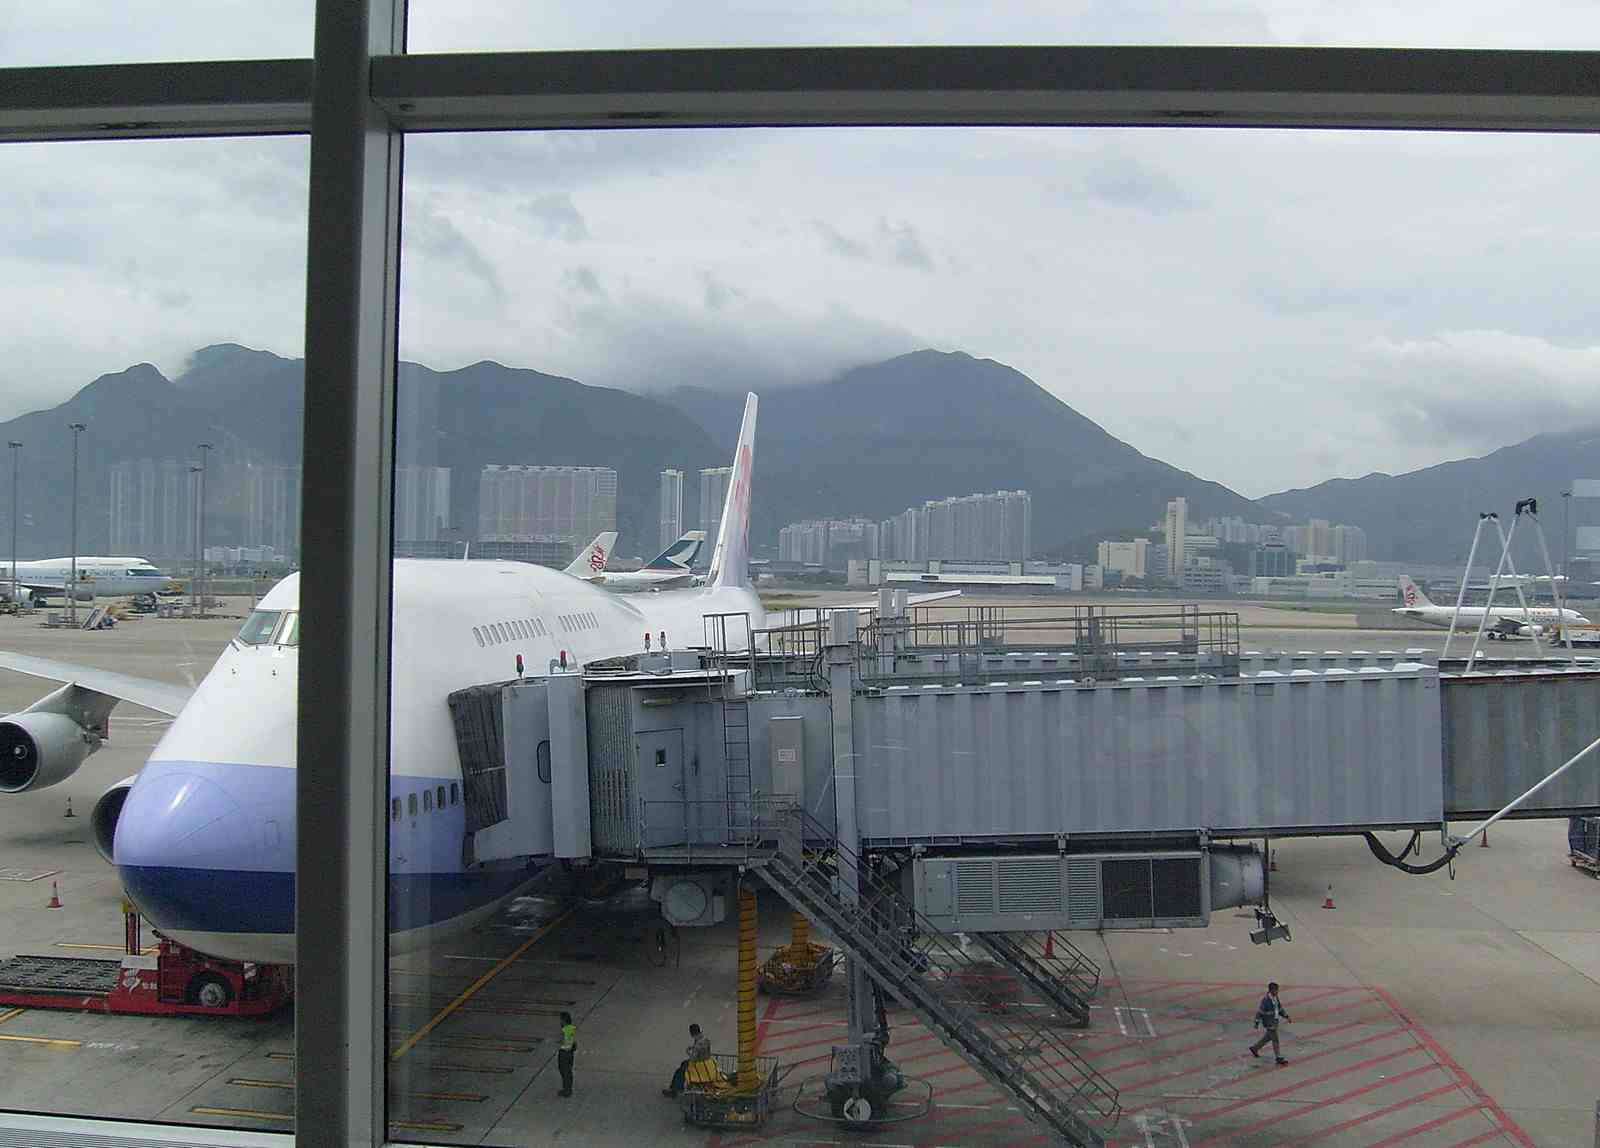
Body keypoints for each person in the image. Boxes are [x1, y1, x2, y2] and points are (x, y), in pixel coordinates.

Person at [663, 1022, 712, 1097]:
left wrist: (688, 1052)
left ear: (692, 1033)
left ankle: (675, 1089)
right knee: (684, 1063)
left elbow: (693, 1057)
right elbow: (702, 1049)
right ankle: (677, 1087)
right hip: (707, 1063)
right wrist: (692, 1047)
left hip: (699, 1065)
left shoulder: (698, 1043)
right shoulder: (704, 1039)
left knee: (680, 1071)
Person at [1249, 981, 1292, 1065]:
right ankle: (1278, 1057)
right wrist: (1256, 1022)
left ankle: (1255, 1048)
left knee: (1268, 1037)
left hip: (1274, 1021)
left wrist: (1286, 1016)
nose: (1277, 991)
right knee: (1275, 1039)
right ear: (1271, 990)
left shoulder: (1275, 998)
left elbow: (1279, 1008)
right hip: (1269, 1023)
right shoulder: (1265, 1000)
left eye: (1277, 990)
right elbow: (1260, 1012)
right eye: (1276, 990)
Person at [557, 1011, 577, 1097]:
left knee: (564, 1071)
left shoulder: (566, 1030)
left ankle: (566, 1090)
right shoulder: (571, 1028)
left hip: (565, 1053)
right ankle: (568, 1088)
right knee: (568, 1071)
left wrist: (559, 1041)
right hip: (569, 1053)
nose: (560, 1022)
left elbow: (566, 1042)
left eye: (561, 1019)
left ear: (564, 1020)